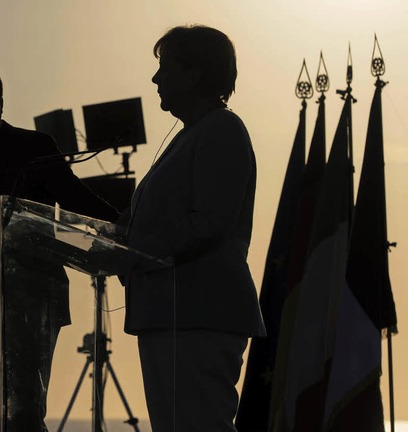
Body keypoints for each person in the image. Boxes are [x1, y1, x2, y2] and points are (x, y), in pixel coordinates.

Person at [0, 64, 118, 432]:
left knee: (23, 412)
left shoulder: (34, 147)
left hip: (31, 293)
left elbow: (72, 195)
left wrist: (119, 224)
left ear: (2, 103)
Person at [123, 26, 266, 431]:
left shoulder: (222, 130)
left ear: (195, 73)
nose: (155, 79)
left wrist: (132, 251)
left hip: (199, 314)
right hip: (168, 314)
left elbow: (208, 224)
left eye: (164, 68)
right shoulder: (191, 135)